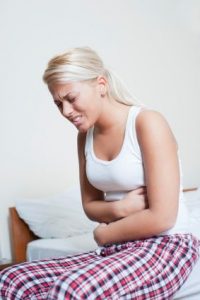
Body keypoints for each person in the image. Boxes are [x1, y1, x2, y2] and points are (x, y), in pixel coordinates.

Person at [0, 47, 199, 299]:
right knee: (12, 280)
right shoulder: (84, 137)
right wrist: (120, 209)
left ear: (101, 85)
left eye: (71, 98)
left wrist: (104, 233)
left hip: (166, 245)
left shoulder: (147, 122)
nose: (66, 111)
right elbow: (90, 206)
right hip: (118, 248)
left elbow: (162, 218)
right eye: (58, 103)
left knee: (71, 290)